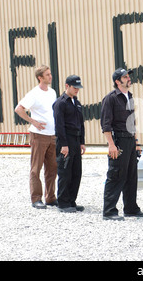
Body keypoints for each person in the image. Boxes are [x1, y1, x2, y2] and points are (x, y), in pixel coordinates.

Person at [101, 68, 143, 221]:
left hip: (129, 140)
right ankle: (109, 211)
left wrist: (135, 142)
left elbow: (132, 122)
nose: (129, 79)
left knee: (131, 176)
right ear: (117, 81)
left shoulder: (129, 97)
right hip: (118, 140)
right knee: (116, 175)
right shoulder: (111, 98)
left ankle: (131, 208)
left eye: (129, 76)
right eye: (125, 77)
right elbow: (106, 124)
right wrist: (111, 145)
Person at [15, 65, 57, 209]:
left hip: (52, 135)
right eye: (47, 74)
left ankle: (50, 197)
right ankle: (36, 198)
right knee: (36, 168)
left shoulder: (52, 92)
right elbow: (18, 109)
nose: (50, 76)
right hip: (39, 136)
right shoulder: (33, 94)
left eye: (50, 74)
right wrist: (33, 121)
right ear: (40, 77)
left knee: (52, 168)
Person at [52, 75, 86, 213]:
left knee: (76, 172)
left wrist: (82, 142)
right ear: (67, 86)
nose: (77, 90)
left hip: (76, 140)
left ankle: (72, 200)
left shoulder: (75, 102)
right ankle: (63, 202)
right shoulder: (60, 103)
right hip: (66, 140)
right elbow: (59, 126)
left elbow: (81, 123)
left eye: (78, 87)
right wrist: (64, 145)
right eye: (74, 87)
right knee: (65, 172)